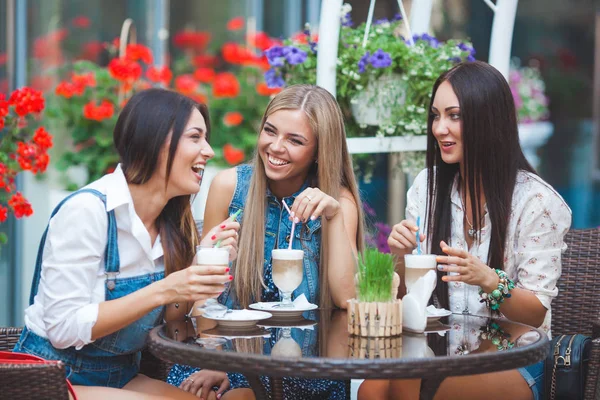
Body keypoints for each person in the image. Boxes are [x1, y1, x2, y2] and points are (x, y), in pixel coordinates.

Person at [358, 61, 571, 400]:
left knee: (442, 392)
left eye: (454, 116)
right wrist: (398, 257)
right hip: (439, 352)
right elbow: (407, 302)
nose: (440, 128)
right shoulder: (426, 188)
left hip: (514, 354)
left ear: (489, 120)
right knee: (371, 389)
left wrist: (489, 279)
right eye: (435, 115)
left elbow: (534, 313)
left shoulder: (537, 201)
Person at [13, 88, 240, 400]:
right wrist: (165, 289)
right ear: (156, 141)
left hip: (119, 376)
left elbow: (175, 325)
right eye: (195, 137)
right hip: (52, 379)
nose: (209, 150)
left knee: (242, 397)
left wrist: (202, 264)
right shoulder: (89, 211)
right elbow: (62, 328)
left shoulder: (174, 223)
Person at [168, 84, 366, 399]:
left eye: (295, 140)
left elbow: (346, 297)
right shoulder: (230, 187)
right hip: (226, 358)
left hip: (308, 371)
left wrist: (334, 217)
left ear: (319, 152)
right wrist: (217, 359)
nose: (275, 147)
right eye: (270, 131)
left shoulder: (335, 201)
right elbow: (204, 298)